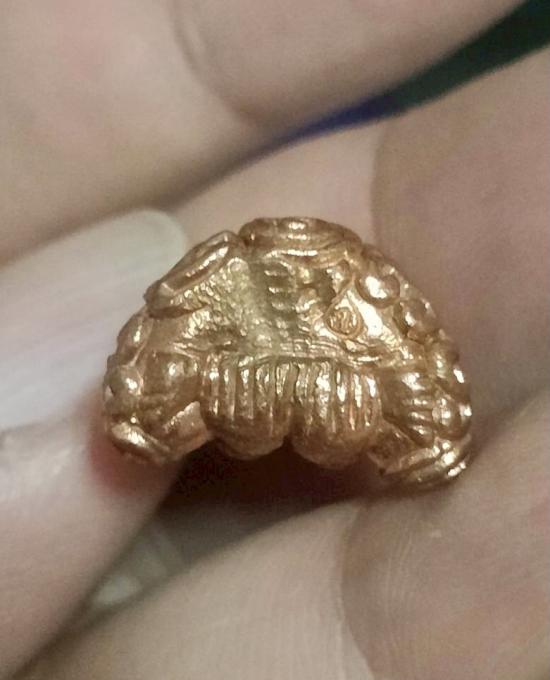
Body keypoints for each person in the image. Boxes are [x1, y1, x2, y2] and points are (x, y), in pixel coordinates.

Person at [0, 2, 548, 678]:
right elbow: (143, 413)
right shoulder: (218, 295)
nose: (298, 285)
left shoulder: (362, 314)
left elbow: (430, 436)